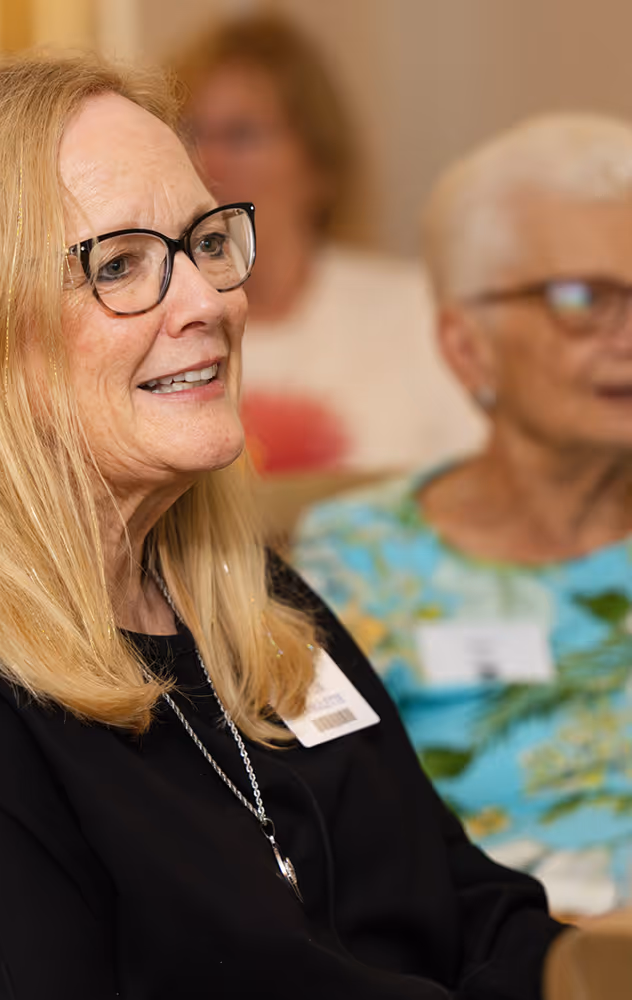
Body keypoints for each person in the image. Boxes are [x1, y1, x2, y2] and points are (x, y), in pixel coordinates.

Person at [0, 55, 562, 998]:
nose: (212, 301)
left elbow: (477, 915)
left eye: (206, 242)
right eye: (121, 264)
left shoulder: (246, 601)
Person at [295, 113, 632, 917]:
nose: (629, 334)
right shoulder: (358, 562)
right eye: (582, 299)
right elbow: (328, 843)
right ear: (467, 345)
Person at [172, 13, 483, 475]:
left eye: (242, 135)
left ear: (318, 162)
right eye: (192, 134)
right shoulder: (164, 328)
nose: (209, 162)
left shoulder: (415, 312)